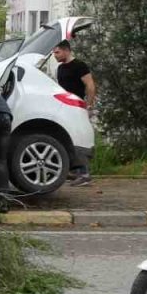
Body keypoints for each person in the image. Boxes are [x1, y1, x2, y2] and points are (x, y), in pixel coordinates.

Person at [52, 40, 96, 186]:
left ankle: (84, 174)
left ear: (66, 50)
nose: (54, 55)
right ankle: (73, 170)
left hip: (78, 107)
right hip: (65, 108)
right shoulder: (60, 69)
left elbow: (90, 85)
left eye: (57, 52)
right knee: (67, 137)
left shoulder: (79, 65)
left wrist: (88, 105)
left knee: (80, 138)